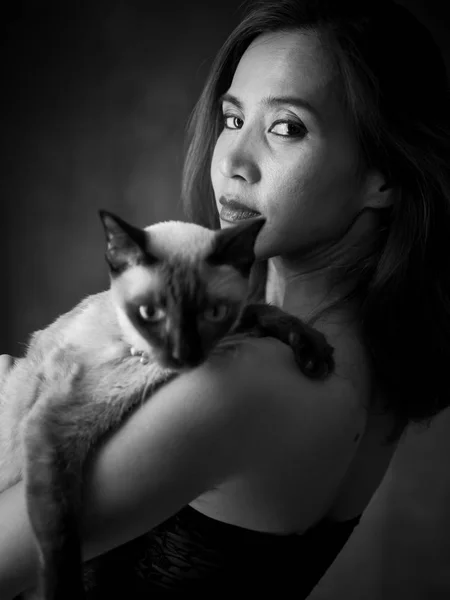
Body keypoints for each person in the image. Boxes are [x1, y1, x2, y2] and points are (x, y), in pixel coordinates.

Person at [1, 0, 449, 596]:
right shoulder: (365, 365)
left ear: (384, 176)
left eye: (286, 128)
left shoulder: (246, 381)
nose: (233, 162)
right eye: (233, 120)